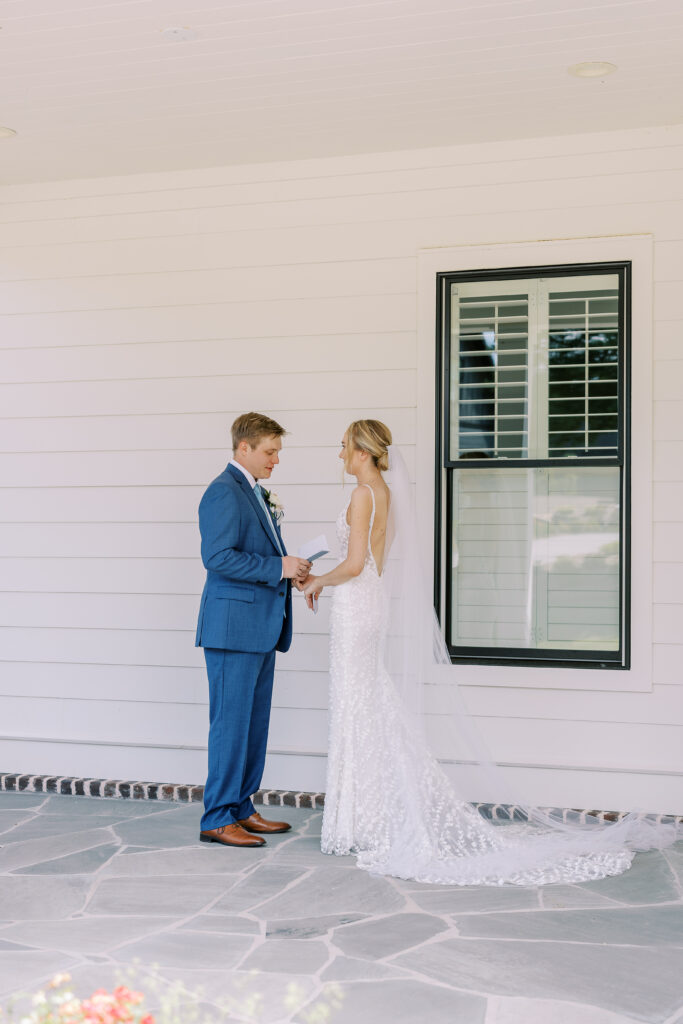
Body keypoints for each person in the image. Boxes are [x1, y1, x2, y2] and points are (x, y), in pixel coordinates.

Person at [302, 419, 678, 885]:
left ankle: (362, 819)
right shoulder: (385, 493)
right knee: (366, 703)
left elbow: (356, 563)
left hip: (356, 605)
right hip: (370, 601)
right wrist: (328, 578)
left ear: (362, 451)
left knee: (357, 704)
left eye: (343, 446)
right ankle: (368, 817)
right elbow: (373, 563)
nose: (340, 454)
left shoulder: (362, 494)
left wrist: (317, 580)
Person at [195, 412, 312, 848]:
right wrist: (278, 566)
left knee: (253, 724)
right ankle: (216, 817)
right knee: (230, 725)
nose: (275, 460)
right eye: (270, 451)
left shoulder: (256, 492)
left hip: (261, 627)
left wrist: (290, 572)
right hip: (232, 630)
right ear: (244, 447)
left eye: (277, 452)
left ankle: (241, 808)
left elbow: (257, 554)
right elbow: (217, 557)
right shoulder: (223, 491)